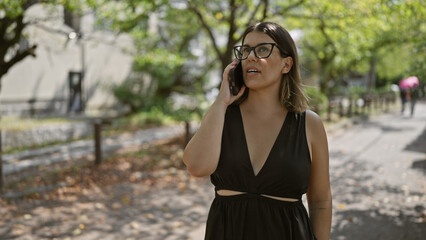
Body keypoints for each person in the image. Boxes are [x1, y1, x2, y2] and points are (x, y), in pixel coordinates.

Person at [183, 22, 332, 240]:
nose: (251, 57)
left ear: (286, 64)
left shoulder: (310, 124)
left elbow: (320, 201)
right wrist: (221, 101)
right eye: (245, 50)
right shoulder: (221, 115)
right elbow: (196, 166)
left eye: (263, 49)